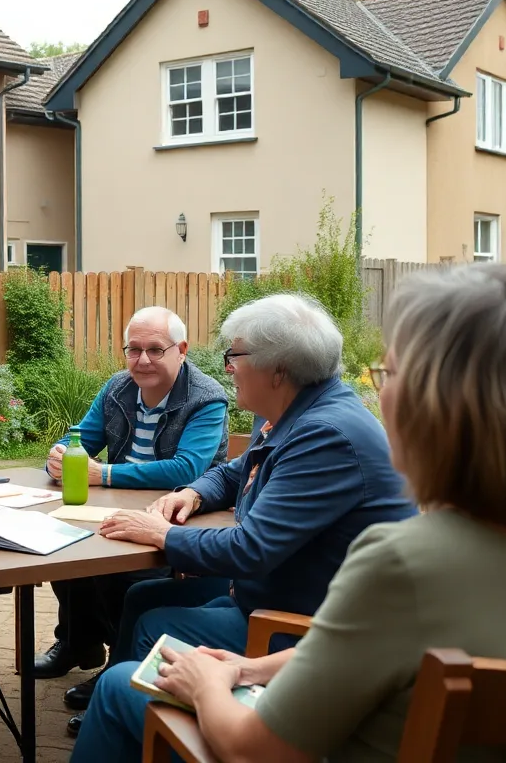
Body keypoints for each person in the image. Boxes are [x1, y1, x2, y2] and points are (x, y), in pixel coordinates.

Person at [151, 264, 506, 762]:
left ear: (443, 409)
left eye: (388, 374)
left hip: (279, 660)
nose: (379, 399)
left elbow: (253, 752)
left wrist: (209, 684)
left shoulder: (404, 565)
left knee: (116, 692)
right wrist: (253, 669)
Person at [69, 293, 417, 757]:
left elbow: (251, 550)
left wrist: (164, 536)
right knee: (144, 595)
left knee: (154, 626)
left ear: (278, 369)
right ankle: (138, 725)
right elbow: (235, 472)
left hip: (295, 622)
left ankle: (149, 719)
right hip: (274, 593)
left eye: (235, 354)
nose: (228, 366)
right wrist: (194, 492)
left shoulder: (326, 435)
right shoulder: (292, 411)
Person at [36, 307, 229, 708]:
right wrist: (59, 456)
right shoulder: (117, 389)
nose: (143, 360)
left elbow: (187, 467)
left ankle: (117, 665)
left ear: (182, 350)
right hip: (117, 505)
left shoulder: (206, 398)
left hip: (180, 512)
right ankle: (76, 644)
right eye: (134, 349)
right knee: (63, 548)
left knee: (119, 572)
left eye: (155, 350)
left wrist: (102, 474)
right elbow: (81, 441)